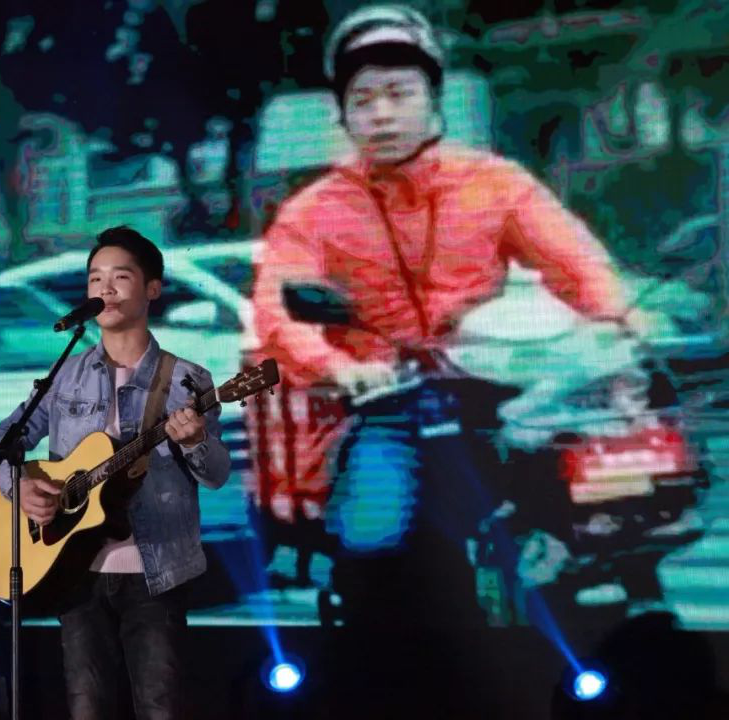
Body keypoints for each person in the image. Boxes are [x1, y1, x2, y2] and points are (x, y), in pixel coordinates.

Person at [248, 4, 647, 609]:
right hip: (392, 399)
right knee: (371, 535)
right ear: (343, 114)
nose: (382, 114)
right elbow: (277, 307)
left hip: (504, 389)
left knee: (606, 502)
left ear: (433, 99)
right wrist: (339, 366)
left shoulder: (495, 182)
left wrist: (620, 318)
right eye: (363, 100)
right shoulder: (312, 212)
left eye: (399, 94)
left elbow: (574, 261)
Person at [0, 226, 231, 720]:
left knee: (162, 708)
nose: (106, 289)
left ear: (152, 288)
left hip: (157, 571)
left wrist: (194, 441)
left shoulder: (187, 379)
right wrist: (21, 485)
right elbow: (3, 443)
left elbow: (217, 474)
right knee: (87, 709)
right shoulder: (65, 375)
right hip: (74, 570)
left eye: (121, 277)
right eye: (96, 279)